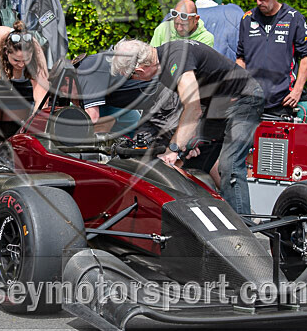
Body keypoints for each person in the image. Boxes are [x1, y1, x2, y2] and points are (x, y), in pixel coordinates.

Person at [111, 39, 264, 215]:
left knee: (230, 164)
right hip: (218, 105)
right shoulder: (165, 60)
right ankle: (204, 213)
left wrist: (173, 148)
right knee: (190, 155)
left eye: (130, 77)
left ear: (139, 70)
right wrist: (187, 141)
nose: (133, 80)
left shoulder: (176, 58)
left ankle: (243, 221)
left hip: (245, 98)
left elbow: (193, 108)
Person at [237, 0, 307, 116]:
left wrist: (297, 91)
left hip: (282, 101)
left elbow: (306, 56)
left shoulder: (293, 18)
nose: (259, 2)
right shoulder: (247, 19)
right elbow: (241, 58)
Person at [150, 0, 215, 48]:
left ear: (196, 19)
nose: (179, 28)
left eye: (184, 25)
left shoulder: (206, 38)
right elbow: (151, 56)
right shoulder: (163, 28)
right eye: (176, 24)